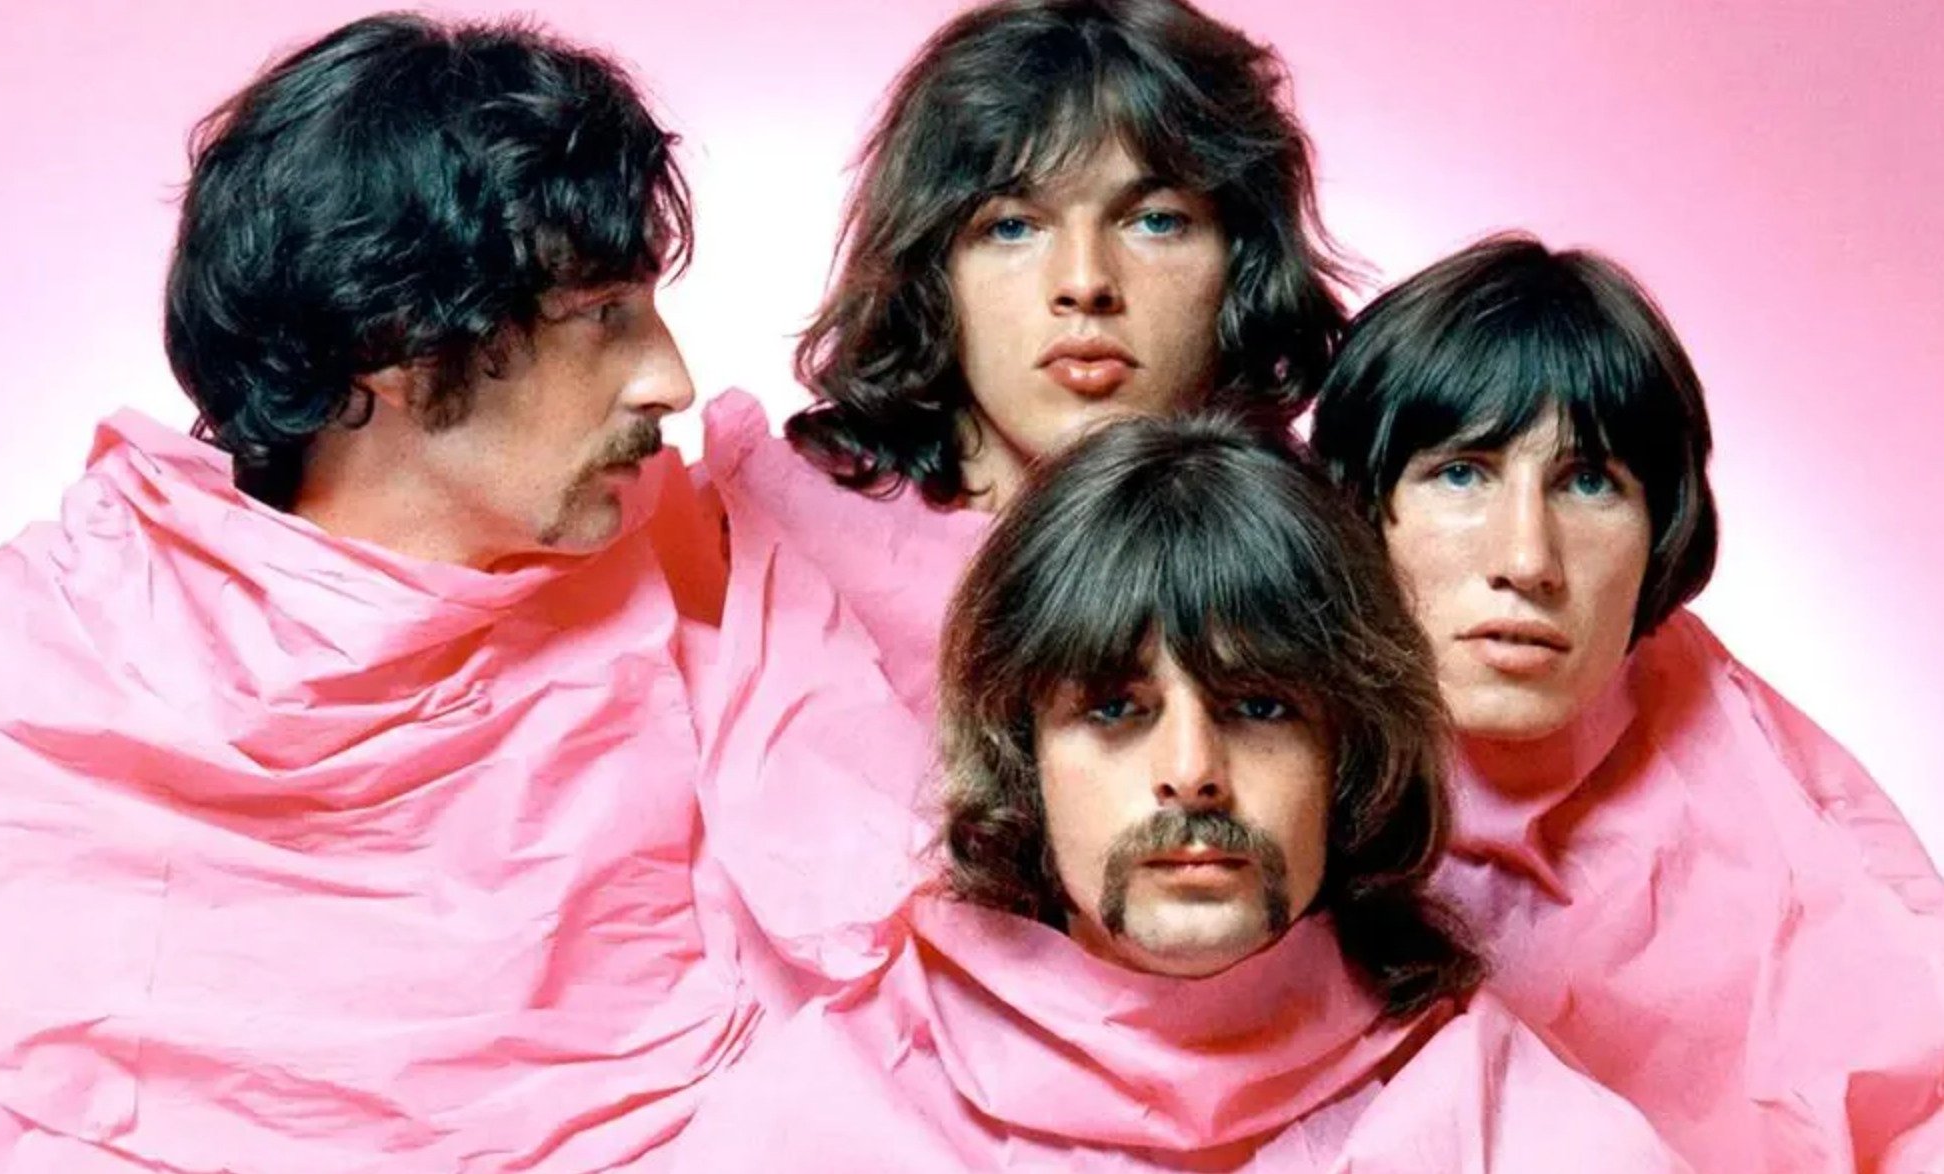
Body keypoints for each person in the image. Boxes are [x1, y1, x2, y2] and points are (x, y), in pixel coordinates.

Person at [0, 14, 751, 1170]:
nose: (669, 378)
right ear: (399, 337)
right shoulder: (35, 668)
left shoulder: (706, 575)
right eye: (603, 318)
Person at [673, 413, 1687, 1171]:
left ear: (1350, 753)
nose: (1192, 768)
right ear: (1022, 757)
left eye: (1257, 706)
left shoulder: (1530, 1138)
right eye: (1116, 710)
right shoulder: (814, 1123)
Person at [1309, 234, 1944, 1172]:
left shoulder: (1763, 790)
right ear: (1358, 507)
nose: (1526, 559)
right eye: (1460, 472)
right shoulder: (1236, 728)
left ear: (1662, 535)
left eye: (1590, 483)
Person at [698, 0, 1347, 715]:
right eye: (1012, 227)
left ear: (1241, 257)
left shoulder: (1329, 561)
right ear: (934, 266)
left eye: (1156, 221)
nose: (1084, 282)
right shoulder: (748, 530)